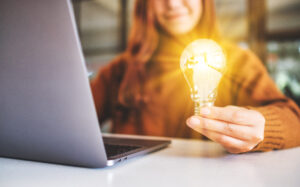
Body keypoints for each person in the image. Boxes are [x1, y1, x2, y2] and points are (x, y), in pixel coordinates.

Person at [91, 0, 300, 153]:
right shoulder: (120, 70)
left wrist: (263, 126)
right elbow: (74, 116)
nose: (172, 4)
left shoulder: (238, 62)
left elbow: (294, 120)